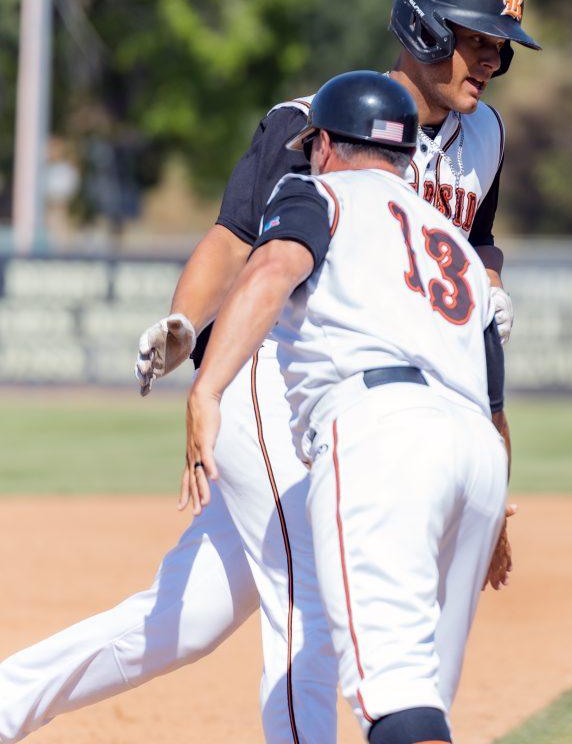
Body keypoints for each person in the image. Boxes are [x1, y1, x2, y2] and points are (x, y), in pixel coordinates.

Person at [0, 0, 535, 743]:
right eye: (477, 41)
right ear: (423, 29)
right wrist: (187, 329)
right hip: (278, 373)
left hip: (365, 396)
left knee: (183, 620)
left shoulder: (483, 137)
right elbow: (240, 241)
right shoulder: (314, 120)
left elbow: (475, 240)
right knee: (310, 599)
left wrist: (486, 284)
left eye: (502, 47)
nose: (493, 61)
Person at [187, 70, 507, 743]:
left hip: (382, 434)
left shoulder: (317, 191)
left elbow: (270, 269)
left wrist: (207, 387)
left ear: (326, 145)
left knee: (392, 698)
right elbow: (493, 386)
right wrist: (501, 506)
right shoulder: (451, 239)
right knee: (418, 696)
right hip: (476, 453)